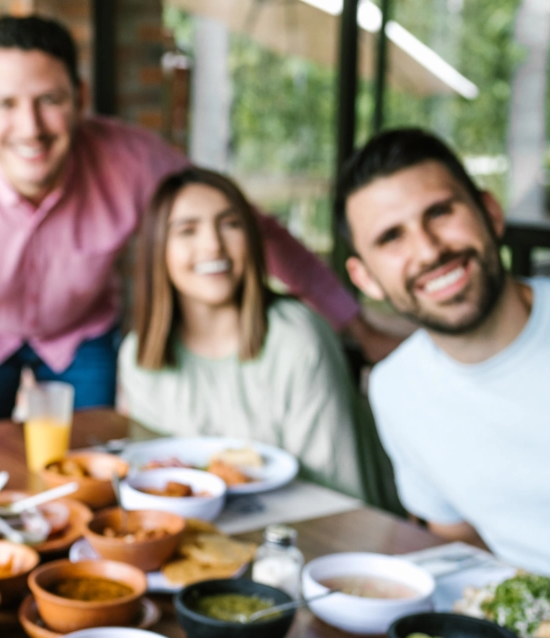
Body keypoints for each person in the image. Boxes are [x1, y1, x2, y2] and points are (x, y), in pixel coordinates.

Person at [0, 14, 401, 424]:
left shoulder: (133, 162)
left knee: (95, 466)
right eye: (6, 103)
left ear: (79, 100)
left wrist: (356, 326)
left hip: (81, 335)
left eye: (49, 100)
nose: (29, 127)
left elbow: (251, 226)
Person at [339, 127, 550, 581]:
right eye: (391, 237)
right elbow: (461, 544)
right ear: (366, 278)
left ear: (489, 213)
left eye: (440, 212)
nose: (429, 250)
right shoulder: (395, 389)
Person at [119, 167, 380, 502]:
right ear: (158, 250)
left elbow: (337, 496)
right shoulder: (138, 355)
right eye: (187, 230)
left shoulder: (297, 339)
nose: (213, 245)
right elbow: (157, 483)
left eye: (231, 225)